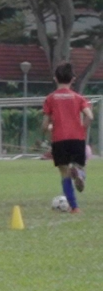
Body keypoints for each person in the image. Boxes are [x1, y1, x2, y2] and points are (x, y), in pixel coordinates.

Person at [43, 62, 94, 213]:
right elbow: (89, 116)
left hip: (60, 140)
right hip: (77, 138)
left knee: (64, 173)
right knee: (79, 166)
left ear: (55, 78)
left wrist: (51, 128)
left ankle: (75, 207)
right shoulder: (78, 98)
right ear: (73, 79)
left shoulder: (50, 99)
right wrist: (82, 128)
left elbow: (44, 125)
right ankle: (80, 174)